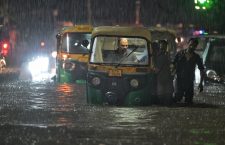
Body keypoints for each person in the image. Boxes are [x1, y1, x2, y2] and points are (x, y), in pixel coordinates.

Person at [172, 38, 205, 104]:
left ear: (196, 47)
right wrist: (171, 76)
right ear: (188, 44)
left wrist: (201, 83)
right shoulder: (179, 54)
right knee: (177, 97)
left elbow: (202, 69)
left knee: (189, 101)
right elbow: (173, 65)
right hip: (179, 79)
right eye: (191, 45)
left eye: (194, 46)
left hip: (189, 80)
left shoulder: (196, 57)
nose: (192, 47)